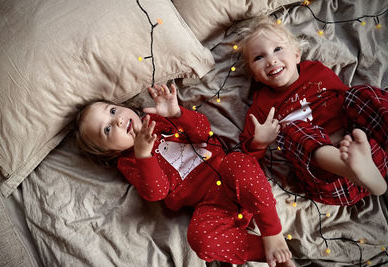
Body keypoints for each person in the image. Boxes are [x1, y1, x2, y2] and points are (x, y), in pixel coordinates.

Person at [74, 83, 295, 267]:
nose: (118, 121)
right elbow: (157, 192)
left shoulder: (159, 119)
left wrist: (177, 113)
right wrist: (143, 155)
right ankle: (269, 252)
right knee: (200, 240)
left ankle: (272, 232)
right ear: (110, 151)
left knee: (239, 162)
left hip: (231, 175)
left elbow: (202, 131)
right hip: (211, 204)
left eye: (112, 111)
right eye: (107, 130)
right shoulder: (130, 163)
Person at [239, 16, 388, 206]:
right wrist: (260, 142)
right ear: (254, 75)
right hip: (331, 181)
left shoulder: (316, 70)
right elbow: (246, 154)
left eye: (277, 49)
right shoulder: (262, 104)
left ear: (296, 55)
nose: (271, 60)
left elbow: (350, 104)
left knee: (360, 93)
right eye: (259, 57)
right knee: (291, 131)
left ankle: (365, 167)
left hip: (373, 150)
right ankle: (354, 168)